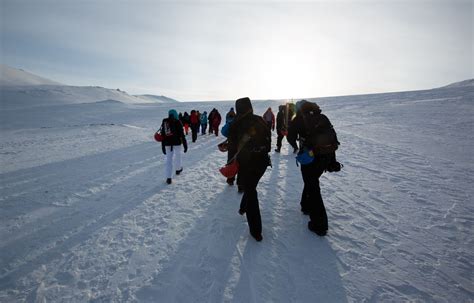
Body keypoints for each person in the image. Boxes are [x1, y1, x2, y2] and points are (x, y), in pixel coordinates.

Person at [287, 100, 339, 236]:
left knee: (313, 186)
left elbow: (290, 136)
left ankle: (320, 225)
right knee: (312, 181)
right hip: (326, 156)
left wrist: (296, 146)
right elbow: (332, 137)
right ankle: (305, 205)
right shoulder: (322, 117)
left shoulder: (299, 119)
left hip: (310, 157)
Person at [228, 97, 271, 241]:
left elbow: (233, 148)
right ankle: (242, 208)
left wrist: (230, 164)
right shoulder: (260, 120)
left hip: (247, 164)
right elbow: (268, 143)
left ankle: (256, 230)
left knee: (251, 190)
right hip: (263, 162)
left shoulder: (236, 124)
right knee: (251, 185)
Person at [161, 109, 188, 184]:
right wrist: (185, 145)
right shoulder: (178, 121)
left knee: (169, 160)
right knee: (178, 156)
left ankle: (168, 178)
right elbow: (182, 135)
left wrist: (163, 146)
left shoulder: (165, 121)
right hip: (177, 143)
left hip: (167, 144)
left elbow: (163, 135)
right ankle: (178, 169)